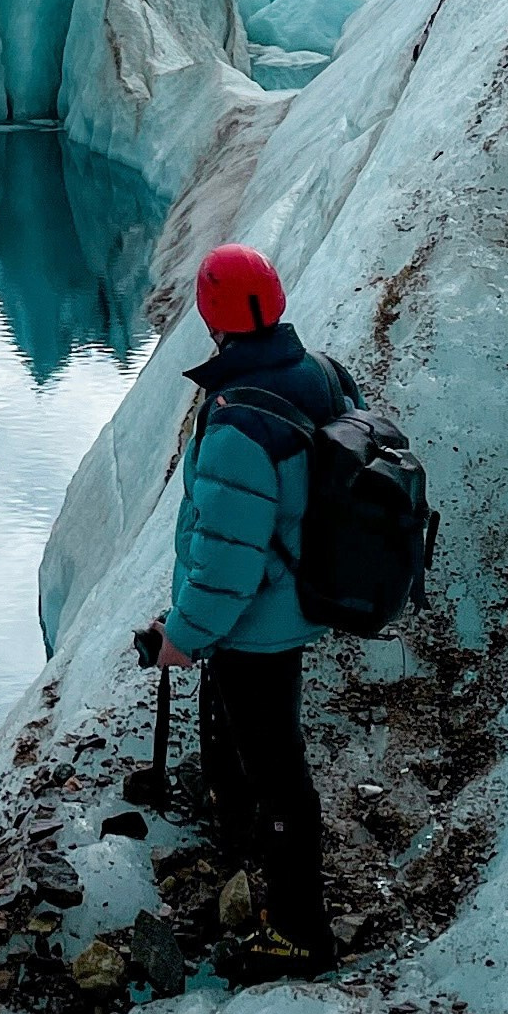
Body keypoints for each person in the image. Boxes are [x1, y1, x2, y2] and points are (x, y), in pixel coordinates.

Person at [157, 242, 351, 976]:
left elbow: (229, 560)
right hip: (299, 599)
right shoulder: (322, 373)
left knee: (279, 771)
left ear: (213, 317)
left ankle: (299, 930)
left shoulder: (238, 421)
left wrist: (183, 635)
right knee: (258, 746)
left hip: (259, 623)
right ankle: (237, 831)